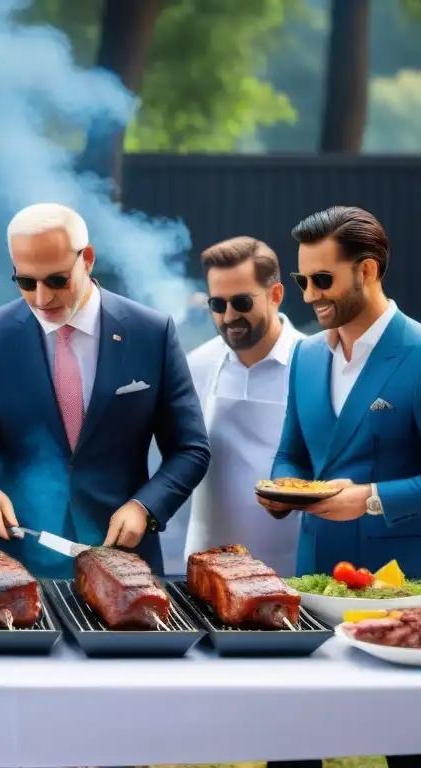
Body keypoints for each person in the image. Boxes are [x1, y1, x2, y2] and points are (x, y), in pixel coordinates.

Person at [0, 203, 210, 578]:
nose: (41, 299)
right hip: (17, 559)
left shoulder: (151, 333)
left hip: (125, 559)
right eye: (26, 282)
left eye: (57, 280)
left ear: (88, 259)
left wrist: (145, 507)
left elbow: (190, 448)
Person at [258, 207, 419, 768]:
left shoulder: (419, 353)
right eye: (302, 280)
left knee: (408, 744)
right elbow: (293, 452)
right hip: (312, 584)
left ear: (368, 270)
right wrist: (282, 490)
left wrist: (372, 499)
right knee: (295, 741)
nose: (308, 296)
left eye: (322, 280)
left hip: (401, 591)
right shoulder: (305, 354)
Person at [184, 237, 305, 576]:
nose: (229, 316)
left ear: (276, 295)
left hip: (296, 571)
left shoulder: (314, 363)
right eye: (217, 305)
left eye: (241, 302)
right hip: (206, 570)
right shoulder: (197, 365)